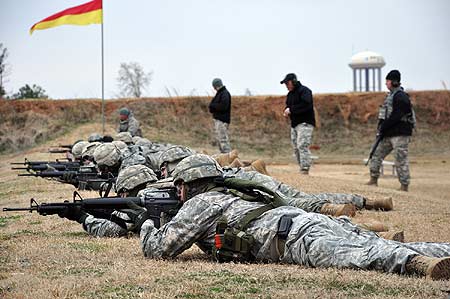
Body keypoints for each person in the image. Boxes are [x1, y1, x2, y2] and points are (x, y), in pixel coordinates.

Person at [139, 154, 450, 280]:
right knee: (365, 243)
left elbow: (159, 249)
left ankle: (414, 264)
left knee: (362, 255)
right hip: (302, 221)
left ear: (188, 184)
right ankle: (441, 250)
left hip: (294, 238)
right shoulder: (233, 191)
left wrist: (148, 223)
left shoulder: (200, 203)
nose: (177, 192)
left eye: (179, 186)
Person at [367, 70, 414, 191]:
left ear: (394, 82)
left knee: (400, 159)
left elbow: (397, 115)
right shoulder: (390, 96)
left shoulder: (401, 96)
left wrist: (384, 126)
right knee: (376, 154)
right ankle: (373, 179)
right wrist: (381, 128)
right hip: (388, 133)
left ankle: (404, 185)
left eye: (387, 81)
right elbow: (386, 115)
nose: (386, 83)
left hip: (400, 133)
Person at [281, 73, 315, 175]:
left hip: (305, 123)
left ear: (294, 82)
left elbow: (306, 105)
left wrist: (292, 110)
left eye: (288, 83)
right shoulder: (290, 95)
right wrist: (286, 111)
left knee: (302, 145)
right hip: (294, 124)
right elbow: (288, 106)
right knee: (296, 147)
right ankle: (301, 166)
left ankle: (305, 168)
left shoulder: (305, 91)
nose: (286, 86)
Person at [209, 78, 232, 153]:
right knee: (220, 140)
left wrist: (213, 106)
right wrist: (212, 106)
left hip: (222, 120)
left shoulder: (224, 93)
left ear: (216, 85)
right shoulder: (220, 93)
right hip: (219, 120)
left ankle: (228, 157)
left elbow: (223, 106)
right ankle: (223, 156)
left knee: (223, 140)